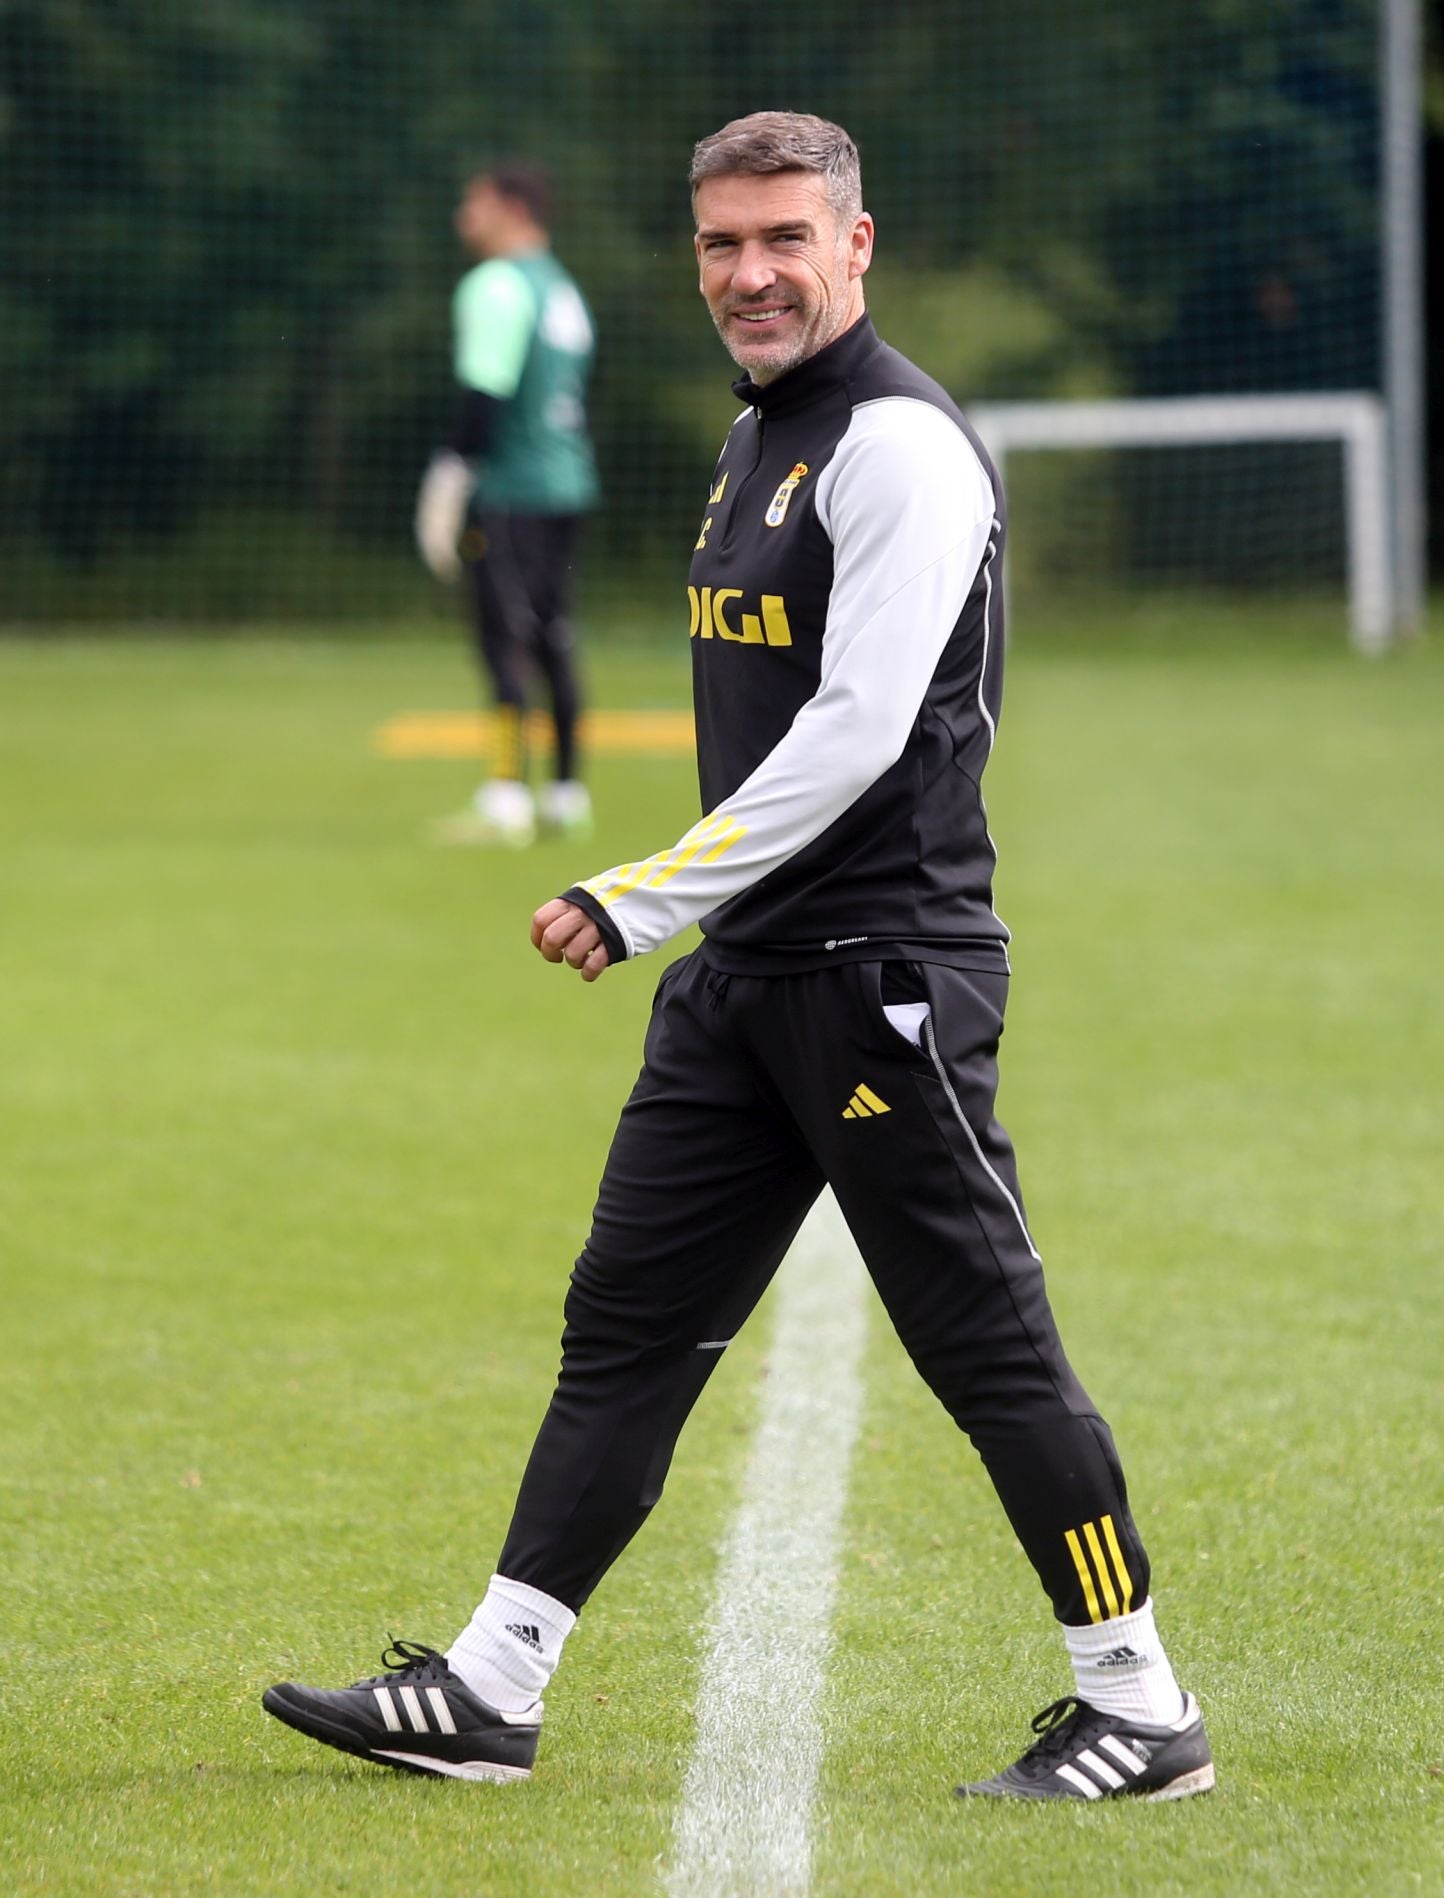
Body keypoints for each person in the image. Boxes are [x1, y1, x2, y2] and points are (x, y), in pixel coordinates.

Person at [265, 112, 1213, 1803]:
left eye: (784, 237)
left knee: (978, 1341)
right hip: (746, 985)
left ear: (857, 244)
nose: (751, 272)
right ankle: (492, 1686)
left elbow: (855, 731)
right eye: (720, 243)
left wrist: (644, 897)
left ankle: (1137, 1705)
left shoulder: (897, 448)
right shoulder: (758, 436)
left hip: (876, 974)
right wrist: (699, 927)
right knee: (622, 1329)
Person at [416, 161, 599, 846]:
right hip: (569, 485)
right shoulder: (562, 289)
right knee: (556, 635)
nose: (465, 217)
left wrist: (448, 481)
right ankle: (566, 792)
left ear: (512, 209)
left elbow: (483, 397)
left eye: (475, 202)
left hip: (513, 490)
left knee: (504, 641)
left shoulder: (495, 285)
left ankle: (504, 798)